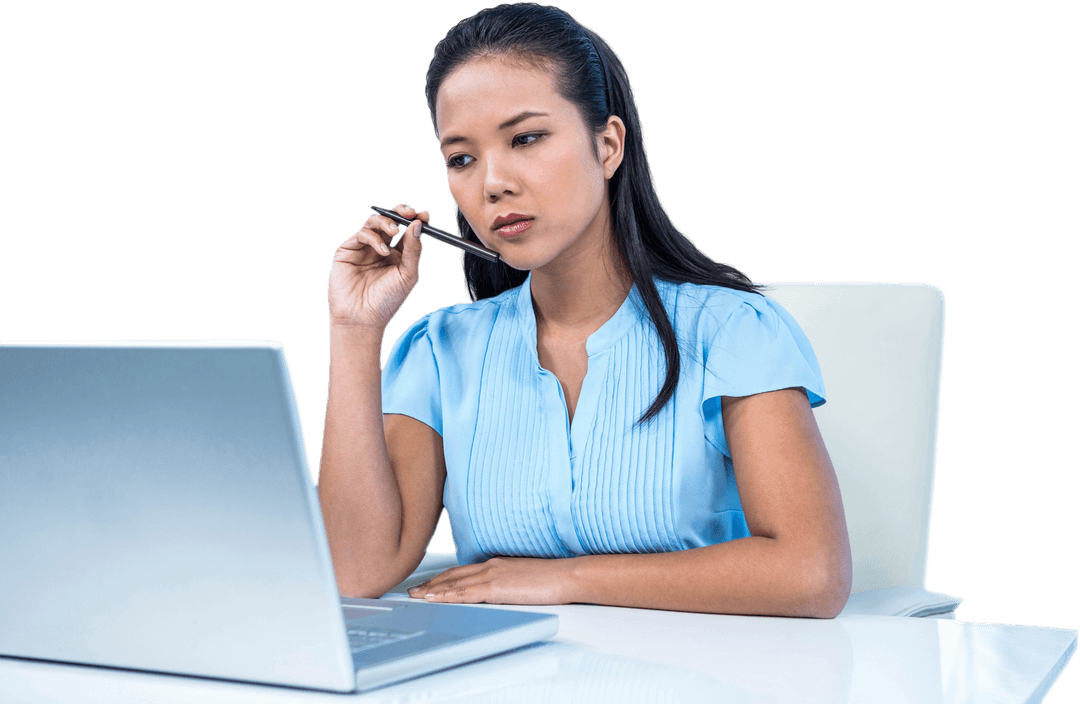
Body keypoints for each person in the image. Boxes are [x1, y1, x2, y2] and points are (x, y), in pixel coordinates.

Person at [317, 2, 851, 618]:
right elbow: (354, 571)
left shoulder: (731, 332)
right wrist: (354, 329)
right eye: (461, 158)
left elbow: (812, 573)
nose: (492, 183)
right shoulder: (440, 351)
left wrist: (563, 579)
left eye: (526, 138)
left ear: (607, 146)